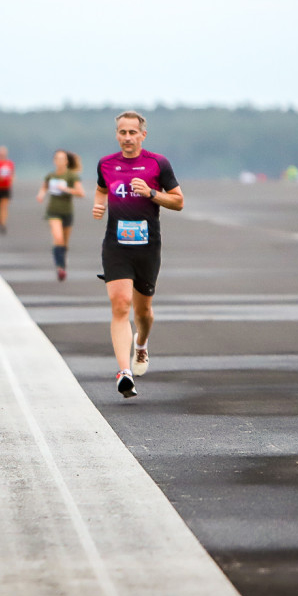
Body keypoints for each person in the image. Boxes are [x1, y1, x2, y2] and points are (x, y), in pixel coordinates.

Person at [92, 111, 183, 398]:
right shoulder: (106, 164)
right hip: (116, 246)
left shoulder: (158, 163)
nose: (127, 138)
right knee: (120, 305)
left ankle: (141, 344)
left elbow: (179, 201)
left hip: (147, 247)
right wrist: (99, 205)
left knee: (143, 312)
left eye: (133, 132)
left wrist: (152, 194)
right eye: (122, 132)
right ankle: (124, 372)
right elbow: (101, 187)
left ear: (143, 135)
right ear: (116, 134)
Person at [36, 149, 85, 281]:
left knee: (64, 243)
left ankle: (62, 259)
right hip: (53, 211)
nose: (59, 161)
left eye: (62, 159)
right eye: (57, 158)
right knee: (58, 238)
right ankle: (60, 267)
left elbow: (81, 193)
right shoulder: (51, 175)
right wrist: (41, 194)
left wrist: (66, 189)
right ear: (54, 161)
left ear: (66, 161)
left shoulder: (71, 176)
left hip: (67, 212)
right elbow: (44, 187)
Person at [0, 146, 15, 234]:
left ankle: (3, 223)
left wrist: (11, 180)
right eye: (1, 153)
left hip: (6, 188)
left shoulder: (10, 163)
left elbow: (12, 174)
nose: (2, 154)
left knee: (4, 206)